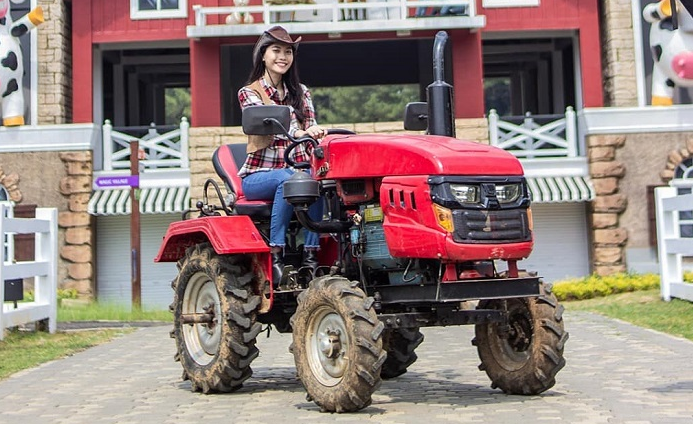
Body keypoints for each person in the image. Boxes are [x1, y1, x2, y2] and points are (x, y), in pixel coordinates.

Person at [237, 26, 327, 285]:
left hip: (295, 172)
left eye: (288, 52)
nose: (283, 56)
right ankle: (276, 253)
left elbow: (310, 130)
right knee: (289, 179)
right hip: (258, 177)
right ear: (263, 55)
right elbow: (273, 124)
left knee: (317, 179)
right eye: (276, 50)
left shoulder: (302, 91)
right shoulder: (250, 92)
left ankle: (311, 256)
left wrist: (315, 137)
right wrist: (298, 131)